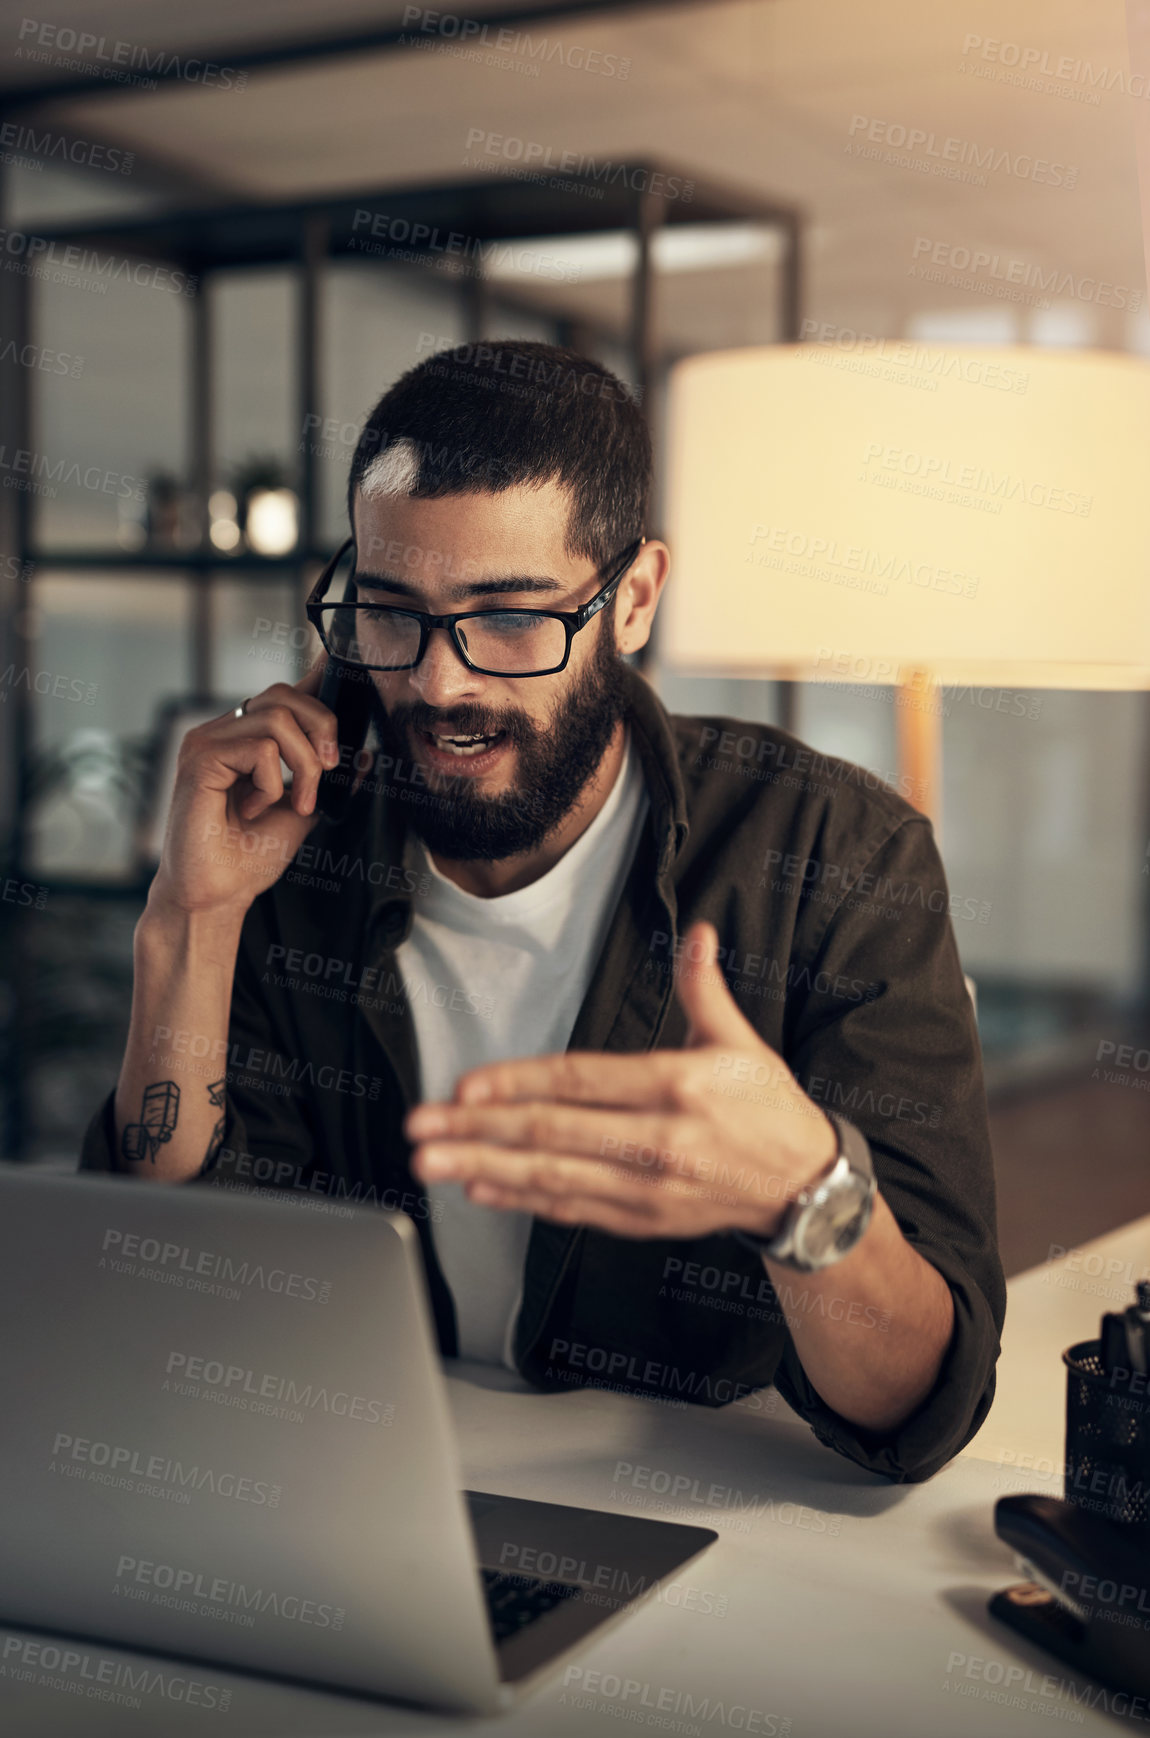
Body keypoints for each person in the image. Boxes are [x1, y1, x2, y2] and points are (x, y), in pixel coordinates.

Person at [81, 339, 1004, 1483]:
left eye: (509, 616)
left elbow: (922, 1401)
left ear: (635, 599)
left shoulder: (838, 856)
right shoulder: (292, 846)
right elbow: (171, 1300)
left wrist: (805, 1192)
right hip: (350, 1505)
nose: (438, 683)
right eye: (389, 612)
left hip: (710, 1547)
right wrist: (191, 917)